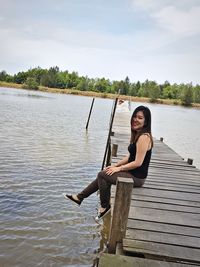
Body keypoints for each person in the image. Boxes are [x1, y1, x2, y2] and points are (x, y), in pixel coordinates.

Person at [63, 105, 153, 220]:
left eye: (140, 118)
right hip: (132, 173)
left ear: (146, 122)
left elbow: (137, 162)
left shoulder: (144, 137)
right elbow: (130, 156)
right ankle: (79, 197)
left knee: (103, 175)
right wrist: (115, 165)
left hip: (137, 177)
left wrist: (119, 169)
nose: (136, 119)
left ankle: (105, 206)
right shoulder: (138, 135)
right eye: (135, 116)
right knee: (106, 172)